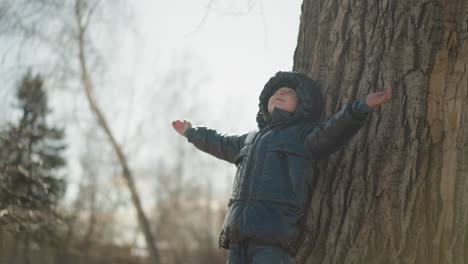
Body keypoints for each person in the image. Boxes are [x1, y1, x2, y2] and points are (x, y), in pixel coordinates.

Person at [171, 71, 391, 264]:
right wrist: (191, 132)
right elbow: (220, 143)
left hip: (273, 233)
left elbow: (333, 130)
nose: (279, 94)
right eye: (275, 93)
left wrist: (360, 107)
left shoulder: (303, 135)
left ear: (303, 102)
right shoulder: (250, 139)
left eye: (287, 92)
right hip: (237, 235)